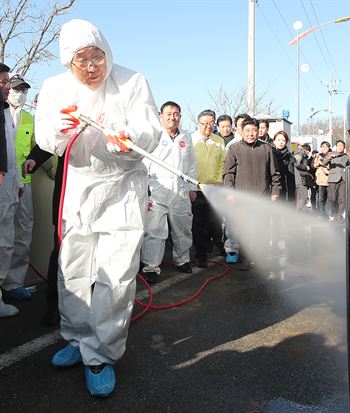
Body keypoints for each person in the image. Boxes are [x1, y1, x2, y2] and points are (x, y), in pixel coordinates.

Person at [35, 19, 162, 397]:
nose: (91, 67)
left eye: (97, 57)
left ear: (107, 52)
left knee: (115, 274)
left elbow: (150, 129)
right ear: (67, 63)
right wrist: (62, 125)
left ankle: (101, 354)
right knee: (73, 267)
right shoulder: (55, 88)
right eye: (81, 60)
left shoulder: (132, 81)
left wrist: (129, 138)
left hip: (122, 192)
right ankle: (76, 338)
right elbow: (46, 136)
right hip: (78, 191)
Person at [140, 101, 197, 283]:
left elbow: (192, 164)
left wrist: (191, 188)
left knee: (183, 228)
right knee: (155, 231)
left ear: (180, 116)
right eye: (169, 114)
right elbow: (143, 162)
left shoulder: (186, 137)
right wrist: (145, 187)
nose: (173, 117)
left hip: (180, 189)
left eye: (176, 114)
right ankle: (151, 267)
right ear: (161, 116)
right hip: (157, 189)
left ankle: (182, 260)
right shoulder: (153, 135)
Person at [223, 117, 281, 270]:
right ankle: (245, 258)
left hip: (262, 196)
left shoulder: (267, 148)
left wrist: (275, 191)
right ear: (241, 132)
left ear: (258, 131)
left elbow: (275, 174)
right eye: (247, 130)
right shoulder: (235, 148)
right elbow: (229, 173)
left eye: (254, 130)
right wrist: (229, 192)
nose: (251, 134)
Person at [3, 74, 34, 301]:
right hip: (4, 179)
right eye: (16, 88)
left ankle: (14, 283)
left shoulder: (30, 119)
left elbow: (38, 147)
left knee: (22, 230)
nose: (20, 93)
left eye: (24, 89)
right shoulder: (2, 113)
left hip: (23, 181)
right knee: (3, 232)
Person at [0, 62, 22, 318]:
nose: (8, 88)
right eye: (4, 83)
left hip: (9, 184)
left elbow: (10, 151)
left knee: (6, 241)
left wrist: (15, 183)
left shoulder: (6, 112)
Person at [191, 109, 226, 268]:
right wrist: (191, 187)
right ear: (198, 123)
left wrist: (219, 181)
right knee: (197, 224)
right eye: (204, 123)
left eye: (211, 123)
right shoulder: (190, 139)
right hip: (195, 189)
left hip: (213, 189)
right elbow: (187, 165)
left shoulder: (219, 141)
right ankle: (200, 255)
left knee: (212, 222)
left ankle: (208, 249)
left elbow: (222, 163)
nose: (208, 126)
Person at [322, 140, 350, 224]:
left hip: (343, 179)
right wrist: (329, 158)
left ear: (344, 147)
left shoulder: (346, 156)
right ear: (336, 146)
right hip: (333, 179)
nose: (340, 147)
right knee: (333, 199)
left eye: (342, 145)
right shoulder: (331, 154)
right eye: (338, 145)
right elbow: (324, 163)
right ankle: (335, 214)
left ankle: (339, 216)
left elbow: (349, 166)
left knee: (342, 199)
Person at [293, 143, 314, 211]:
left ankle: (298, 214)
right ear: (306, 149)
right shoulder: (300, 153)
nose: (308, 153)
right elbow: (297, 164)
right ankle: (297, 213)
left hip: (299, 179)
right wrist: (306, 167)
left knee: (300, 198)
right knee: (304, 197)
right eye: (308, 151)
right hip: (300, 180)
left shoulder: (299, 153)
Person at [313, 141, 331, 217]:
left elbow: (331, 167)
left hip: (329, 180)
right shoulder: (318, 155)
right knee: (320, 199)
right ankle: (322, 214)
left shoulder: (331, 155)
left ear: (329, 148)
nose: (324, 148)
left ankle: (329, 213)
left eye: (326, 147)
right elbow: (315, 165)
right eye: (323, 147)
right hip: (320, 180)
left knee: (330, 199)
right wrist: (320, 164)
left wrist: (322, 165)